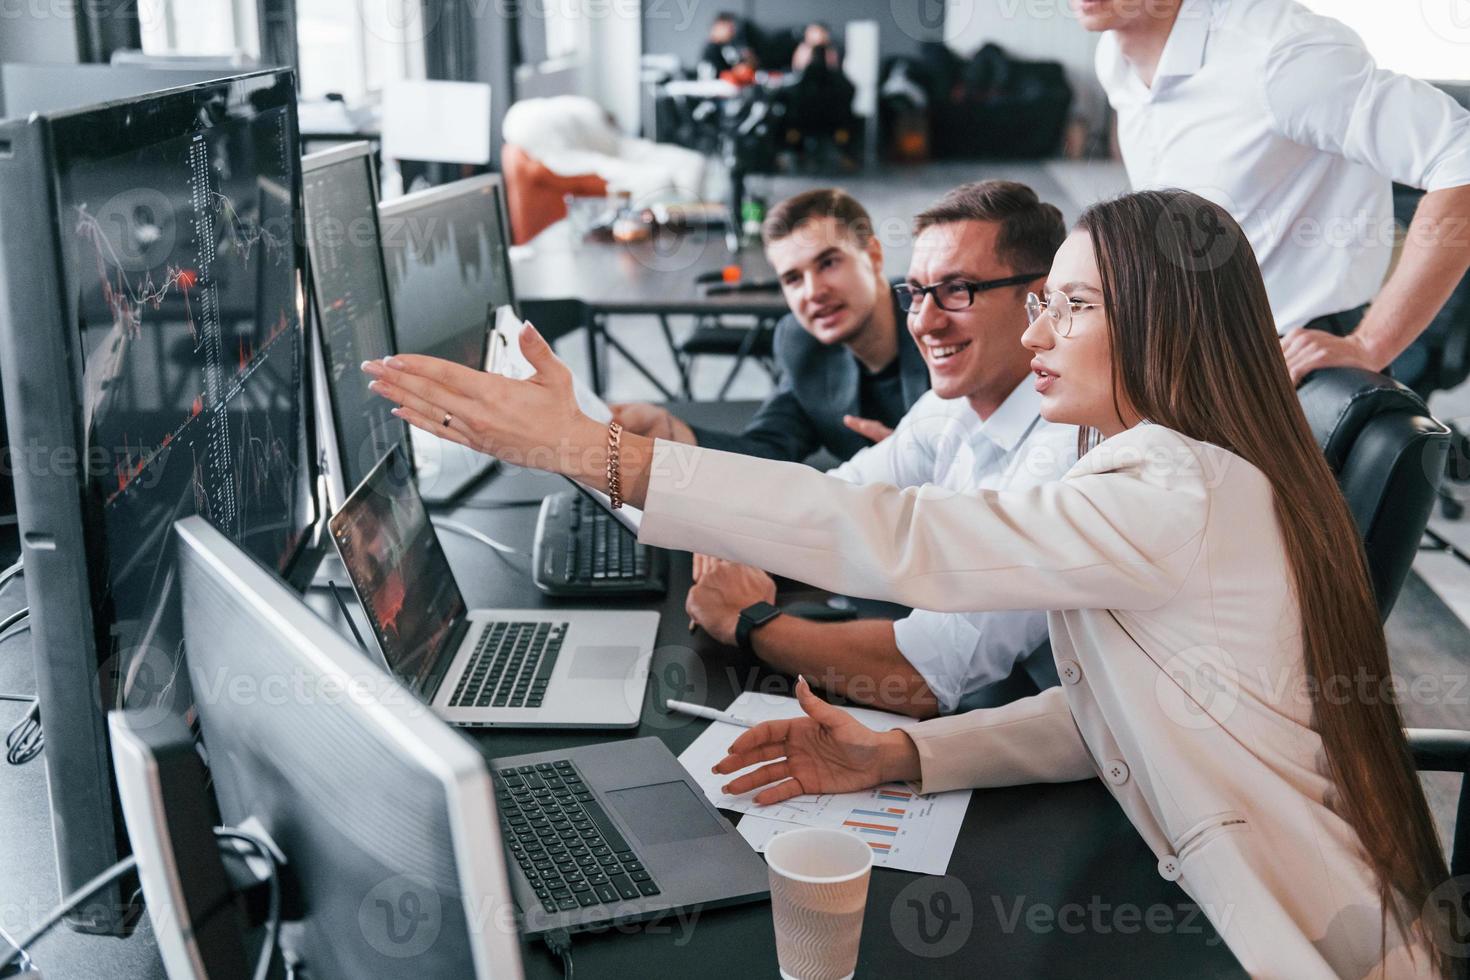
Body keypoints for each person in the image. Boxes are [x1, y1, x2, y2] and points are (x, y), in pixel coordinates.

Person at [362, 188, 1452, 978]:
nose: (1033, 331)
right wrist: (901, 753)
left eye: (1068, 306)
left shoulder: (1174, 484)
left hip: (1280, 938)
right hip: (1194, 879)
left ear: (1162, 322)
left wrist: (600, 455)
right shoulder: (1140, 464)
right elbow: (1107, 710)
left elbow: (899, 534)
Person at [686, 181, 1074, 719]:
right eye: (916, 293)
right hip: (1020, 713)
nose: (924, 321)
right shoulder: (955, 405)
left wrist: (748, 622)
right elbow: (836, 497)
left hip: (1093, 753)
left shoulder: (1062, 455)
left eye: (958, 290)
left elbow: (925, 673)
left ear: (1039, 301)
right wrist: (744, 538)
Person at [1081, 0, 1470, 384]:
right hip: (1192, 347)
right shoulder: (1115, 54)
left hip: (1293, 360)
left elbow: (1460, 156)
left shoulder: (1283, 54)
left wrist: (1369, 344)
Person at [613, 189, 928, 462]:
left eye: (829, 263)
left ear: (873, 256)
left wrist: (921, 468)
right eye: (793, 278)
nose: (813, 291)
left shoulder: (942, 323)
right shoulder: (803, 343)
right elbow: (766, 451)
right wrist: (674, 435)